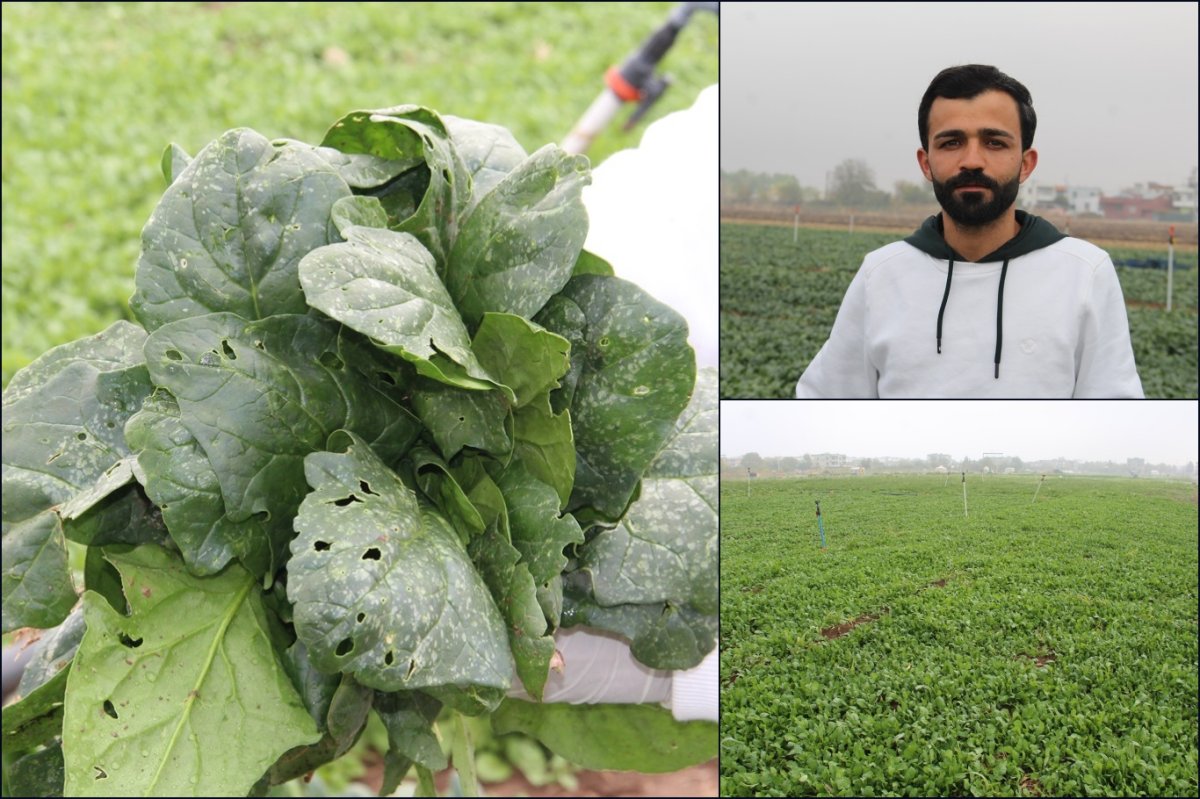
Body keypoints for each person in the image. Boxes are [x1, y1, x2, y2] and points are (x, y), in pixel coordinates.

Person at [795, 65, 1144, 398]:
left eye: (994, 142)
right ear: (925, 162)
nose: (973, 160)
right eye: (951, 142)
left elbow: (1113, 411)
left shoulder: (1084, 273)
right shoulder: (881, 274)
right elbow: (825, 401)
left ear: (1026, 163)